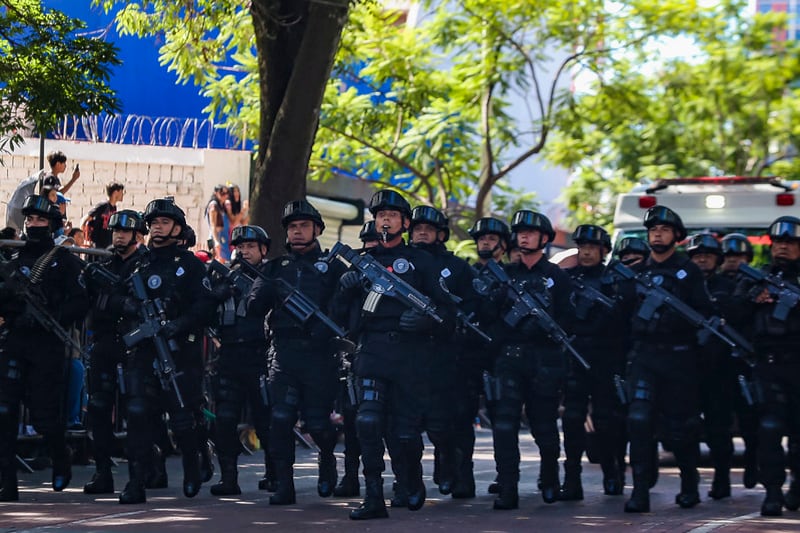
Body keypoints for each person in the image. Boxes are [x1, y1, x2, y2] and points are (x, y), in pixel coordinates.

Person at [335, 189, 455, 520]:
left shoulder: (422, 262)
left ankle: (410, 481)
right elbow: (339, 316)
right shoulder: (364, 262)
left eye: (391, 215)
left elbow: (448, 314)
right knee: (368, 422)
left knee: (404, 432)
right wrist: (346, 291)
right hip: (371, 351)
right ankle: (374, 495)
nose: (385, 220)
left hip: (410, 356)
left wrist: (425, 321)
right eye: (380, 215)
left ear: (404, 222)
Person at [117, 198, 216, 504]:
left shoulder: (189, 265)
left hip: (179, 350)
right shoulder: (138, 264)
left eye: (163, 222)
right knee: (137, 414)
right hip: (144, 350)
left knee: (184, 416)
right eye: (154, 223)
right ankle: (135, 481)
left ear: (177, 227)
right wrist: (129, 306)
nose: (157, 228)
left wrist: (178, 323)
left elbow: (205, 306)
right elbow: (112, 299)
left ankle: (191, 466)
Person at [247, 200, 346, 506]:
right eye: (292, 227)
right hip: (284, 354)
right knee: (280, 418)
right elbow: (252, 308)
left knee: (318, 423)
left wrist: (327, 330)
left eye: (304, 226)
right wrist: (265, 288)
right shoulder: (275, 268)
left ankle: (327, 458)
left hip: (319, 355)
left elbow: (344, 312)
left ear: (317, 229)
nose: (298, 232)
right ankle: (284, 483)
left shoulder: (333, 268)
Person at [622, 206, 713, 513]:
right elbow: (621, 317)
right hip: (645, 357)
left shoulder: (689, 272)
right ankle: (640, 491)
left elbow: (705, 316)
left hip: (678, 359)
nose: (657, 234)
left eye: (663, 229)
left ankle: (689, 483)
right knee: (638, 421)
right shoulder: (636, 273)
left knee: (681, 427)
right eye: (652, 230)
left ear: (677, 236)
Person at [0, 195, 89, 501]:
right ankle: (6, 481)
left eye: (40, 221)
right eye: (30, 220)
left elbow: (80, 301)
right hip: (16, 342)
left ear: (52, 225)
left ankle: (59, 455)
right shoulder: (14, 263)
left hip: (47, 345)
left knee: (44, 414)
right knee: (5, 411)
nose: (34, 225)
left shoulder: (63, 262)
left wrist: (56, 316)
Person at [483, 210, 573, 510]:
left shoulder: (557, 277)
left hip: (544, 359)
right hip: (510, 358)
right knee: (505, 425)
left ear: (545, 239)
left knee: (544, 425)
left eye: (531, 232)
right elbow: (489, 319)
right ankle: (508, 486)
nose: (524, 236)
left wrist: (545, 328)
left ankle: (550, 477)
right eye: (520, 232)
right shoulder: (505, 275)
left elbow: (568, 321)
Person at [408, 206, 478, 500]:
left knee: (453, 421)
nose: (422, 232)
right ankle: (409, 482)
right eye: (417, 228)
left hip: (450, 355)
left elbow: (472, 307)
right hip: (409, 354)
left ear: (441, 234)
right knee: (407, 423)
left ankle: (458, 470)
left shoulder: (458, 268)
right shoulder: (402, 262)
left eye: (428, 229)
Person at [733, 216, 800, 516]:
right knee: (769, 429)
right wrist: (752, 299)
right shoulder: (757, 278)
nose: (783, 248)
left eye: (790, 243)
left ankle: (797, 485)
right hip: (768, 364)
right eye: (778, 243)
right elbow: (729, 313)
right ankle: (772, 491)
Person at [82, 210, 150, 494]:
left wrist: (122, 303)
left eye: (125, 232)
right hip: (106, 343)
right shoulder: (105, 264)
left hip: (134, 345)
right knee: (98, 408)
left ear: (137, 235)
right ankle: (102, 472)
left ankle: (137, 476)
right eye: (115, 232)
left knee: (136, 411)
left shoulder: (145, 265)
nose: (119, 236)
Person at [560, 224, 628, 500]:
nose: (586, 253)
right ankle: (572, 479)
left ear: (604, 251)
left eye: (592, 248)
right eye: (582, 247)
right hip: (574, 355)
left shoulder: (614, 281)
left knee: (606, 419)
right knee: (573, 419)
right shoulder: (566, 278)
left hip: (605, 358)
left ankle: (613, 474)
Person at [207, 225, 274, 496]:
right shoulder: (223, 276)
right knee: (224, 418)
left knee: (266, 419)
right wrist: (216, 294)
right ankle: (228, 478)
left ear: (263, 250)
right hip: (230, 355)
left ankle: (275, 474)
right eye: (240, 246)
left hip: (260, 356)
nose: (245, 251)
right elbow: (206, 312)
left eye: (250, 246)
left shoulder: (271, 276)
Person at [686, 233, 739, 500]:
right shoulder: (681, 286)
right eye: (697, 255)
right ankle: (690, 480)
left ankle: (721, 478)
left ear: (718, 259)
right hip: (687, 367)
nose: (702, 259)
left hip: (720, 368)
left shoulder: (729, 286)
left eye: (707, 255)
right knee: (686, 427)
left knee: (719, 429)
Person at [332, 221, 379, 498]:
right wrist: (344, 290)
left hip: (388, 353)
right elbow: (336, 315)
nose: (372, 250)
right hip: (355, 353)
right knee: (353, 422)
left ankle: (402, 480)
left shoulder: (398, 270)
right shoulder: (352, 274)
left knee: (388, 424)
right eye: (368, 244)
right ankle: (350, 476)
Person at [718, 232, 759, 489]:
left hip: (749, 362)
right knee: (718, 422)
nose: (734, 261)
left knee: (751, 420)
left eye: (739, 256)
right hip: (718, 363)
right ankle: (722, 476)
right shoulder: (713, 283)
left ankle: (752, 463)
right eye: (729, 256)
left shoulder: (758, 282)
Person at [81, 182, 125, 250]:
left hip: (107, 244)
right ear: (116, 192)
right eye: (121, 192)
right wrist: (84, 239)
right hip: (97, 244)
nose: (123, 195)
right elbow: (85, 219)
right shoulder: (103, 205)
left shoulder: (114, 207)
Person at [206, 185, 232, 262]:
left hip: (223, 238)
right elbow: (213, 225)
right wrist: (216, 241)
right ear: (216, 193)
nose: (225, 195)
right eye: (222, 193)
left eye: (227, 193)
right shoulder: (214, 206)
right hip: (217, 238)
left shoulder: (222, 206)